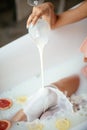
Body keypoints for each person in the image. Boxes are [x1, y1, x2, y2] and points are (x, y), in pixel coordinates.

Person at [11, 1, 87, 123]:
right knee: (45, 94)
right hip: (82, 76)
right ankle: (13, 122)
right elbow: (55, 23)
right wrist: (48, 8)